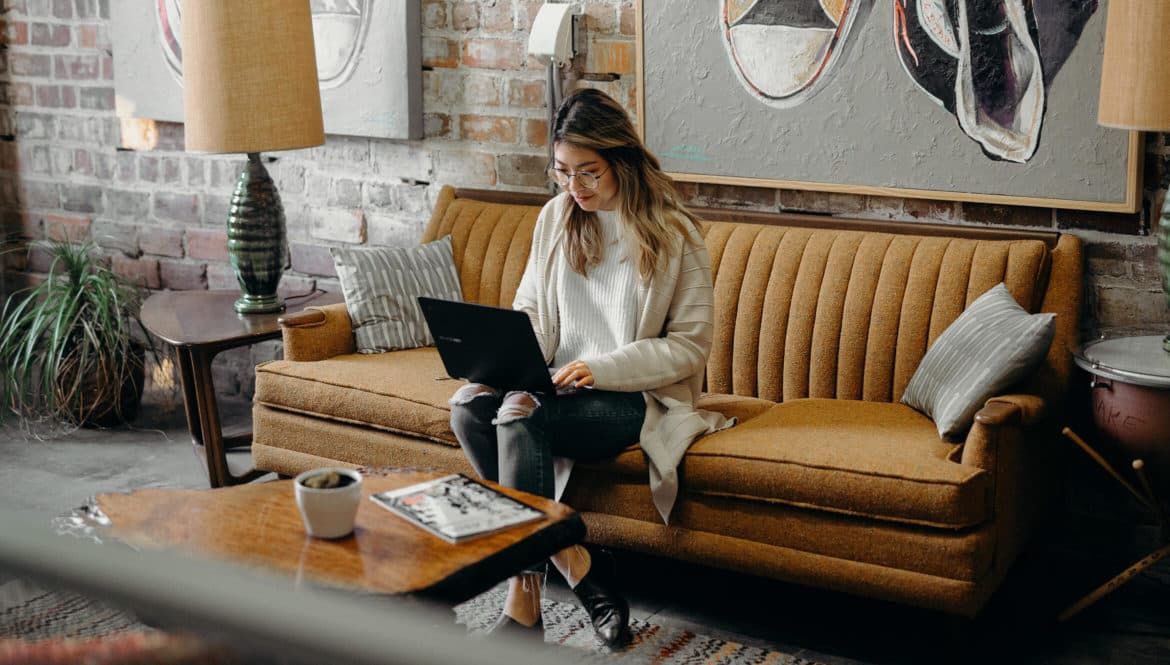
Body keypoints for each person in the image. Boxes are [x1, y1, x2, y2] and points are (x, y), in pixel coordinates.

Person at [448, 87, 733, 646]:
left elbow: (689, 347)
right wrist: (503, 361)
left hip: (630, 397)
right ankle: (578, 562)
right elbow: (530, 309)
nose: (574, 188)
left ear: (621, 160)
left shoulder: (675, 234)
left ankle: (523, 607)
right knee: (468, 407)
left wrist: (599, 368)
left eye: (588, 173)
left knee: (519, 416)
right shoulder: (556, 218)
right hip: (553, 382)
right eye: (562, 172)